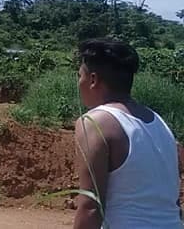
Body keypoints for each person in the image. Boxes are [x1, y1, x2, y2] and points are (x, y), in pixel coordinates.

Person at [72, 37, 181, 228]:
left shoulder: (94, 122)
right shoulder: (159, 123)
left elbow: (91, 205)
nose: (78, 82)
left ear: (93, 80)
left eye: (80, 76)